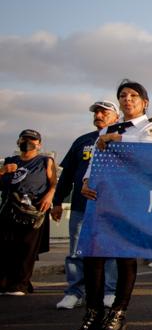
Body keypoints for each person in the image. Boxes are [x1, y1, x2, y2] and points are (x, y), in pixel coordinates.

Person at [69, 80, 152, 330]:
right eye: (123, 95)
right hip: (103, 199)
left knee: (125, 257)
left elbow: (150, 152)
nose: (127, 99)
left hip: (132, 200)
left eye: (134, 95)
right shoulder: (108, 128)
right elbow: (96, 162)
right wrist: (87, 182)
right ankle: (94, 312)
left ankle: (118, 313)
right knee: (93, 256)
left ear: (145, 102)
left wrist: (119, 139)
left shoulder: (151, 128)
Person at [50, 101, 120, 310]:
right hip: (82, 206)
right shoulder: (82, 141)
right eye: (96, 112)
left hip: (111, 207)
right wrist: (57, 202)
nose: (98, 115)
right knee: (76, 250)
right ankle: (75, 291)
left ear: (115, 116)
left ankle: (110, 290)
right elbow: (68, 175)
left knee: (109, 250)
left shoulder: (123, 140)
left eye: (103, 112)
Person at [0, 130, 56, 296]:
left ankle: (21, 285)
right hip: (10, 209)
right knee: (6, 247)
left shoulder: (45, 161)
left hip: (33, 209)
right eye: (25, 139)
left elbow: (53, 183)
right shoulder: (11, 161)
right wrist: (3, 170)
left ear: (39, 144)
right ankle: (4, 283)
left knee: (27, 248)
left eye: (32, 140)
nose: (28, 142)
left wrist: (49, 196)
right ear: (19, 141)